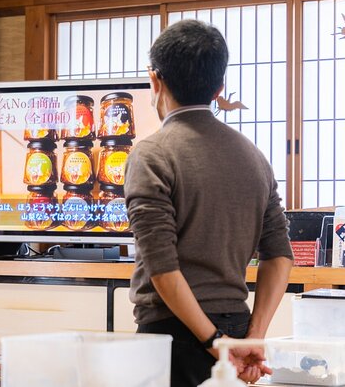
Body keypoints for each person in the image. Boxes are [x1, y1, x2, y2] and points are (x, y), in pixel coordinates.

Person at [124, 19, 294, 387]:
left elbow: (163, 269)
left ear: (155, 80)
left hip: (171, 338)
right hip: (237, 327)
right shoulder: (253, 157)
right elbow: (280, 255)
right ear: (219, 88)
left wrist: (216, 343)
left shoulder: (151, 155)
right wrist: (251, 336)